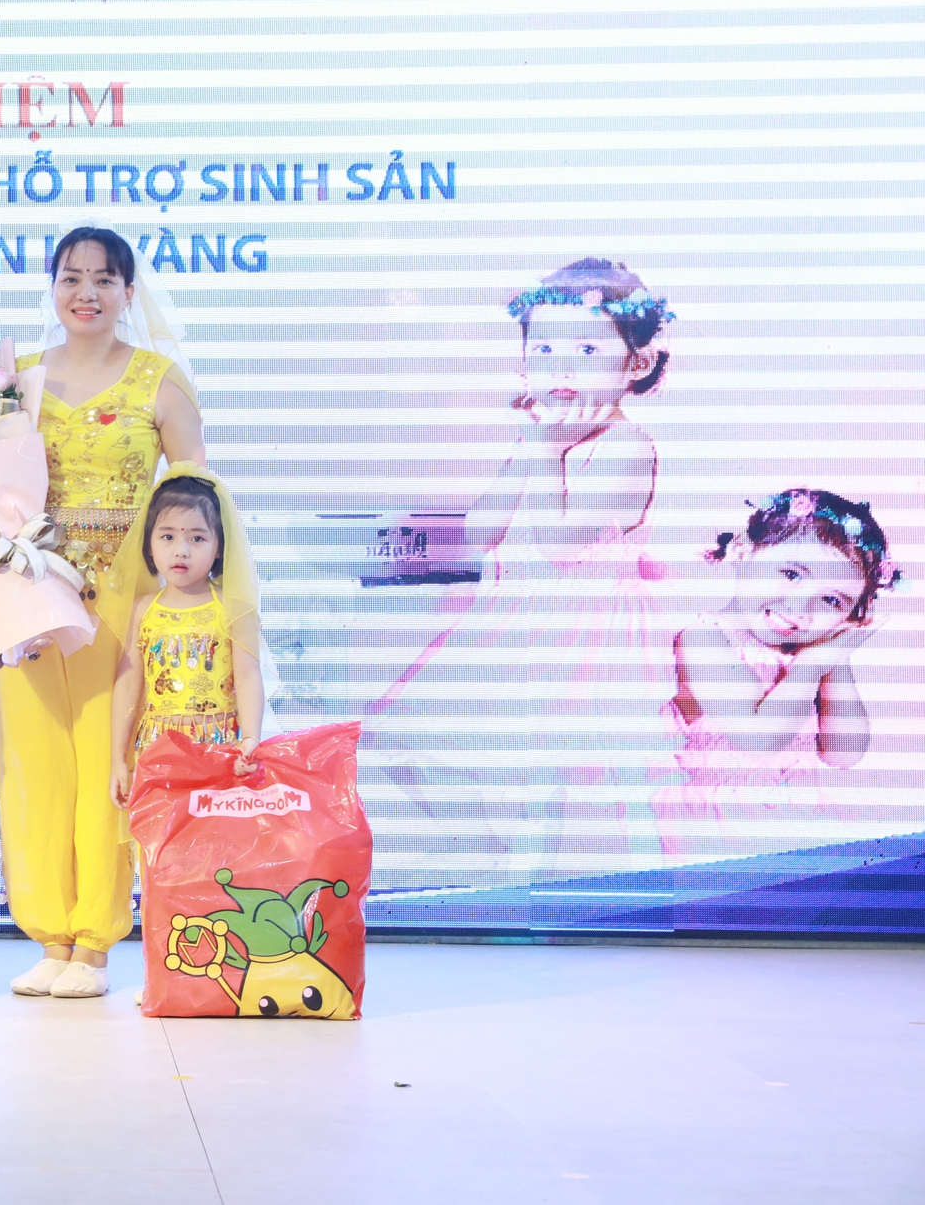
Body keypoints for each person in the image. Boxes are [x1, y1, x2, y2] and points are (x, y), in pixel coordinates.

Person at [0, 224, 268, 999]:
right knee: (35, 763)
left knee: (110, 768)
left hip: (125, 604)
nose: (87, 293)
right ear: (52, 287)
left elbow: (197, 499)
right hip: (30, 594)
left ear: (127, 293)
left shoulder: (159, 381)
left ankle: (96, 945)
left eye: (104, 279)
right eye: (71, 277)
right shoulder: (12, 382)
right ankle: (50, 936)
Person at [364, 258, 677, 883]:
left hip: (586, 648)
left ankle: (541, 868)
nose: (562, 368)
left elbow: (561, 543)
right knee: (395, 735)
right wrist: (532, 451)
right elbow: (480, 535)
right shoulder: (541, 441)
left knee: (551, 769)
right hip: (512, 625)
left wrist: (544, 453)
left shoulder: (626, 446)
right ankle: (485, 848)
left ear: (635, 364)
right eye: (545, 349)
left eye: (587, 350)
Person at [654, 489, 898, 861]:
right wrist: (813, 665)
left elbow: (843, 754)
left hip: (798, 822)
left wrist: (836, 660)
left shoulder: (810, 655)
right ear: (743, 552)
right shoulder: (704, 639)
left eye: (831, 600)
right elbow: (760, 738)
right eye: (791, 574)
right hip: (716, 828)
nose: (801, 607)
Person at [110, 470, 281, 809]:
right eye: (168, 536)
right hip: (157, 750)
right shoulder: (143, 609)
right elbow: (128, 684)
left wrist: (250, 738)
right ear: (149, 544)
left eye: (198, 538)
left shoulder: (232, 607)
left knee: (218, 838)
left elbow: (248, 677)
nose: (181, 551)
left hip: (220, 748)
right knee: (160, 838)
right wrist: (117, 759)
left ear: (219, 548)